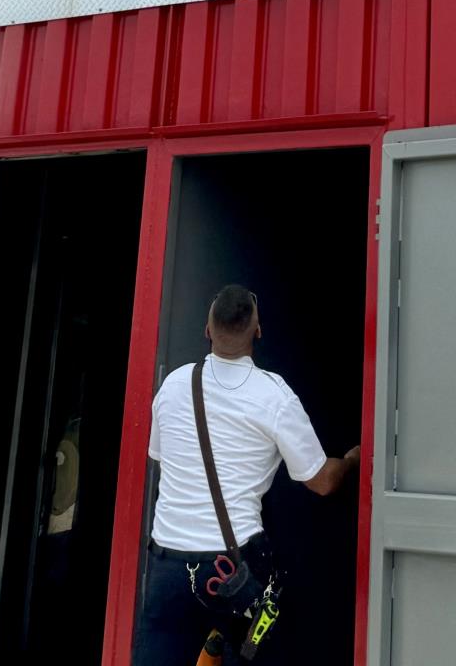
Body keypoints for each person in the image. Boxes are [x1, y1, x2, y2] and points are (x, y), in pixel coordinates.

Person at [134, 283, 358, 666]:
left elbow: (160, 455)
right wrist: (354, 458)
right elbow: (322, 481)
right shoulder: (274, 396)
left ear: (207, 330)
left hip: (167, 569)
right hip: (233, 569)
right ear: (258, 330)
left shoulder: (174, 385)